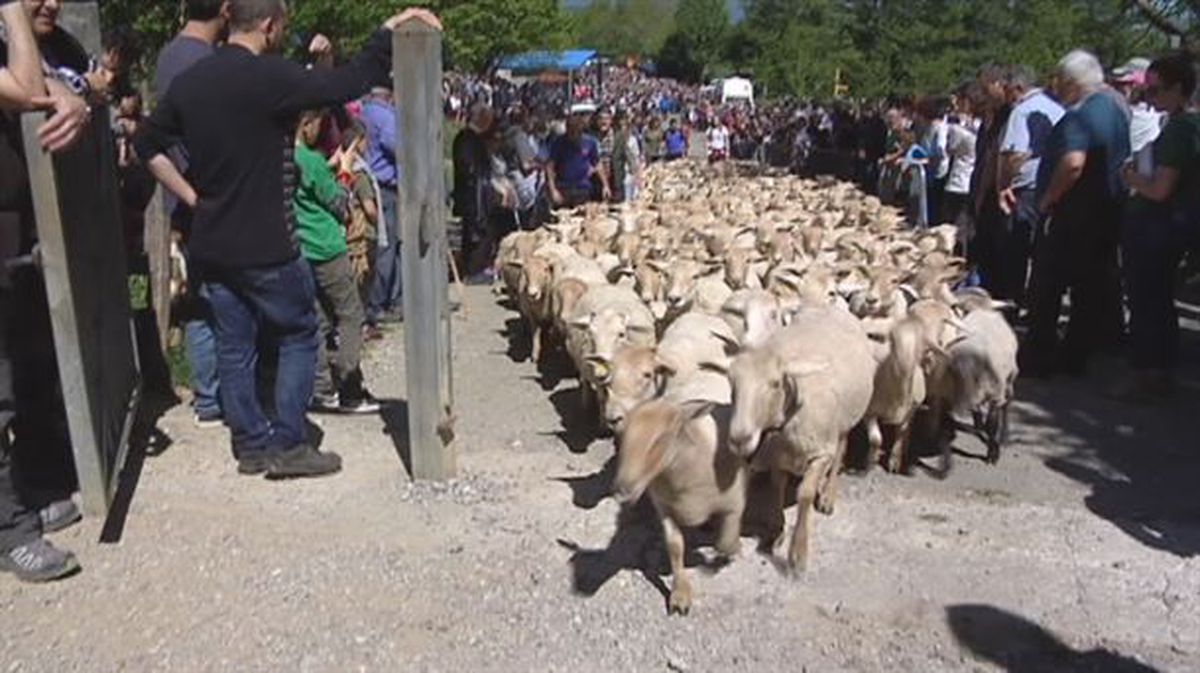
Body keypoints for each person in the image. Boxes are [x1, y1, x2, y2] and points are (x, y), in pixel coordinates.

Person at [135, 1, 443, 479]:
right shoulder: (271, 77)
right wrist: (385, 33)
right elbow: (348, 82)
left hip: (212, 242)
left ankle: (251, 445)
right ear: (269, 25)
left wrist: (191, 196)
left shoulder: (191, 82)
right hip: (267, 242)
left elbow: (146, 144)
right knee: (300, 332)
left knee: (234, 345)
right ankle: (290, 442)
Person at [1, 0, 86, 582]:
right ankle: (9, 530)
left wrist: (76, 99)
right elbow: (29, 88)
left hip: (15, 240)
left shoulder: (30, 39)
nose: (52, 1)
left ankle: (26, 492)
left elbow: (67, 85)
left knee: (27, 376)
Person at [1026, 50, 1131, 377]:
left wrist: (1049, 199)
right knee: (1089, 290)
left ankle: (1040, 357)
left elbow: (1073, 163)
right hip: (1106, 212)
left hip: (1071, 216)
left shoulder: (1079, 116)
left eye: (1059, 79)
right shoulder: (1116, 110)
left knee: (1047, 287)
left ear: (1072, 82)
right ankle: (1076, 356)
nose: (1056, 85)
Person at [154, 0, 229, 428]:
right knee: (220, 298)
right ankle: (218, 395)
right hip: (204, 191)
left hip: (179, 193)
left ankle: (207, 395)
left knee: (201, 297)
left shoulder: (168, 55)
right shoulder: (207, 61)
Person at [1118, 53, 1200, 398]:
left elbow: (1160, 188)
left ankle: (1147, 375)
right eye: (1146, 91)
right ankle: (1160, 369)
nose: (1150, 99)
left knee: (1146, 301)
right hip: (1168, 228)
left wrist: (1131, 176)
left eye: (1157, 90)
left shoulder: (1182, 128)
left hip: (1157, 229)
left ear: (1180, 89)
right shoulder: (1180, 124)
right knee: (1159, 300)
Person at [293, 110, 380, 415]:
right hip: (326, 247)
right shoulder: (311, 161)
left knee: (318, 319)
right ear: (306, 124)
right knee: (352, 314)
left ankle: (320, 387)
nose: (322, 131)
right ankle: (349, 384)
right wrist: (343, 171)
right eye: (319, 124)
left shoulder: (287, 159)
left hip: (301, 247)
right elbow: (341, 203)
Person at [995, 66, 1064, 306]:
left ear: (1018, 88)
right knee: (1043, 250)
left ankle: (1017, 300)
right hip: (1053, 185)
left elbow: (1015, 155)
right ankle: (1040, 302)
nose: (1005, 95)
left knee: (1018, 247)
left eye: (1007, 89)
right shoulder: (1058, 109)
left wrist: (1004, 185)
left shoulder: (1022, 112)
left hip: (1025, 189)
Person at [359, 86, 402, 326]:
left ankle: (387, 299)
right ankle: (379, 303)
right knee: (387, 247)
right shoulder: (386, 116)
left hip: (372, 182)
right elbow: (396, 146)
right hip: (386, 185)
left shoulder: (364, 112)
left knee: (383, 245)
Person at [452, 103, 495, 279]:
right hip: (473, 196)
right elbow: (470, 169)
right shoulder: (467, 139)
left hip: (476, 194)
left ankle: (475, 268)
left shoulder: (470, 139)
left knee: (478, 233)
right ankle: (474, 270)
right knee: (475, 233)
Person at [547, 109, 608, 208]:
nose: (573, 134)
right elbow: (550, 166)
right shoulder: (558, 143)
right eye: (571, 131)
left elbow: (597, 163)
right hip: (564, 188)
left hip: (583, 189)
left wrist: (605, 185)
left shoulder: (590, 142)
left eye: (576, 131)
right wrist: (553, 190)